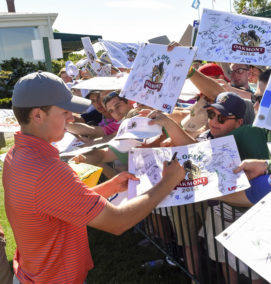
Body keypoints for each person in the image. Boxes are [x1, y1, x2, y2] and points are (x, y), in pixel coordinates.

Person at [3, 71, 185, 283]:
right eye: (64, 112)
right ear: (37, 115)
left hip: (36, 274)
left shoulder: (17, 154)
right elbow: (118, 222)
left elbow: (57, 205)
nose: (71, 118)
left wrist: (109, 188)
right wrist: (168, 181)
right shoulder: (46, 170)